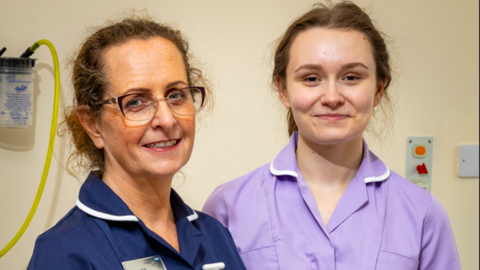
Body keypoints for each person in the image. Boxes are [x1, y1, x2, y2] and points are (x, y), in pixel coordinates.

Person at [203, 2, 461, 270]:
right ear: (282, 90)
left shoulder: (423, 215)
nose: (332, 98)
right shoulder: (227, 208)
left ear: (378, 89)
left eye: (351, 77)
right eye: (311, 78)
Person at [27, 14, 246, 270]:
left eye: (175, 95)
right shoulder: (64, 252)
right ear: (92, 125)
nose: (166, 119)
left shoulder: (215, 235)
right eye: (135, 102)